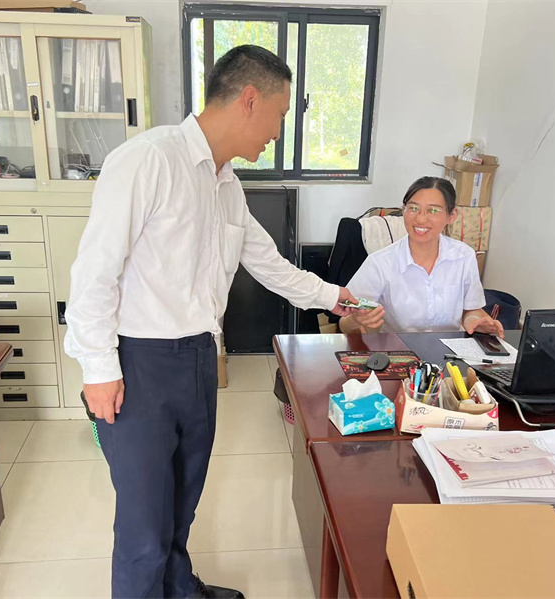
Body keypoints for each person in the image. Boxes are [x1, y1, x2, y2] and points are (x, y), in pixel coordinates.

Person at [64, 45, 359, 599]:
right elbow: (94, 272)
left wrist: (335, 297)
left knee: (182, 502)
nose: (278, 131)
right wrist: (98, 368)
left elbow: (268, 263)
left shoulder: (227, 184)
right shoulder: (148, 160)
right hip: (139, 363)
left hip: (200, 358)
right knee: (144, 525)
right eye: (280, 114)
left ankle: (179, 589)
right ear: (250, 100)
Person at [339, 176, 504, 337]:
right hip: (398, 350)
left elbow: (471, 310)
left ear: (452, 215)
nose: (420, 218)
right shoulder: (380, 263)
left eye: (433, 210)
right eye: (413, 208)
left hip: (448, 350)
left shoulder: (464, 256)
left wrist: (475, 322)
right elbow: (344, 323)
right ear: (403, 210)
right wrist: (355, 320)